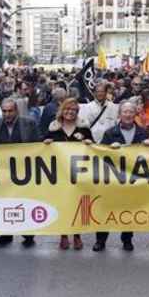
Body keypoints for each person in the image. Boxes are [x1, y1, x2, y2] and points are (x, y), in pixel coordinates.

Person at [93, 101, 149, 252]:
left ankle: (127, 240)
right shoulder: (110, 133)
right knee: (106, 209)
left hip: (132, 180)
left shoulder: (142, 133)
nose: (127, 115)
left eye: (130, 112)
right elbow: (100, 153)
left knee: (128, 210)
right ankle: (100, 240)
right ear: (120, 114)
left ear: (135, 114)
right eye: (125, 112)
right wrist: (108, 149)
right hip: (113, 180)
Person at [44, 97, 93, 250]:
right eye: (67, 109)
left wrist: (88, 142)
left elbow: (94, 146)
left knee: (77, 203)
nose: (70, 112)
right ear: (62, 111)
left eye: (73, 110)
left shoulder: (83, 128)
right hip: (60, 174)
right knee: (62, 204)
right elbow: (42, 146)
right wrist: (46, 143)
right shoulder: (54, 128)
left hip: (78, 174)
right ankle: (64, 235)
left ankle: (77, 235)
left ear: (77, 112)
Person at [0, 98, 40, 248]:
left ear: (16, 110)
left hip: (24, 172)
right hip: (4, 172)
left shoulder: (29, 123)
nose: (7, 114)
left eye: (10, 110)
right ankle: (6, 234)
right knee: (5, 202)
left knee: (25, 202)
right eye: (4, 111)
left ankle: (28, 235)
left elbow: (38, 144)